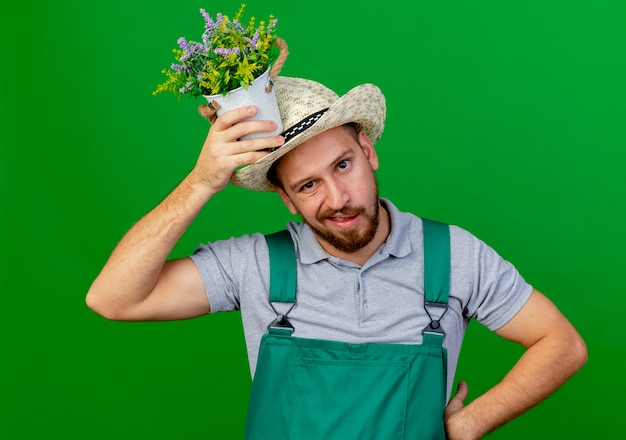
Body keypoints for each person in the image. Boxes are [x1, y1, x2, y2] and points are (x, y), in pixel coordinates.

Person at [86, 76, 587, 439]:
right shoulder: (255, 266)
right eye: (308, 185)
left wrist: (474, 419)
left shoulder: (453, 255)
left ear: (368, 151)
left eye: (342, 165)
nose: (337, 198)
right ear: (287, 199)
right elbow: (113, 299)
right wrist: (200, 182)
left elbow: (561, 343)